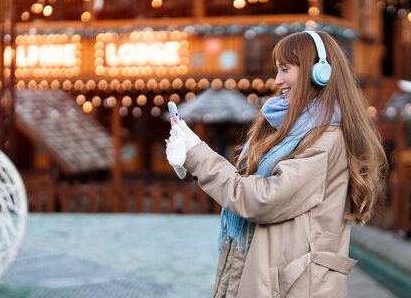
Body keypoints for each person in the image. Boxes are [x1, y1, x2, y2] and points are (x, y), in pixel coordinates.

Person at [165, 30, 387, 298]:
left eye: (285, 70)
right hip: (279, 281)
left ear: (319, 72)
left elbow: (261, 199)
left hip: (295, 288)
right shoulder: (291, 130)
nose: (277, 80)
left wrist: (196, 154)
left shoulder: (325, 139)